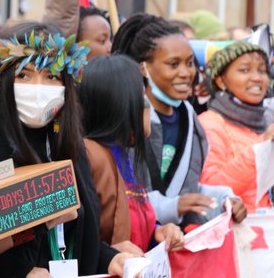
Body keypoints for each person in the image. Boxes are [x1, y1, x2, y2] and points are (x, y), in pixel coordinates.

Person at [0, 22, 132, 278]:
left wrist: (111, 259)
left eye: (51, 76)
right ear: (3, 81)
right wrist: (20, 272)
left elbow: (79, 236)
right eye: (24, 75)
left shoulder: (69, 146)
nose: (38, 88)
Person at [111, 14, 246, 229]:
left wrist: (224, 200)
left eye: (190, 63)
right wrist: (172, 207)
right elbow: (123, 195)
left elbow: (186, 189)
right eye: (173, 64)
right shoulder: (127, 120)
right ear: (143, 68)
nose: (186, 73)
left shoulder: (190, 118)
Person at [79, 55, 184, 255]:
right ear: (121, 103)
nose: (148, 107)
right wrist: (108, 255)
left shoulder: (124, 154)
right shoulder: (91, 155)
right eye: (141, 97)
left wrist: (158, 232)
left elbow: (134, 227)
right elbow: (80, 239)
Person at [200, 42, 274, 213]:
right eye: (245, 70)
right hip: (231, 235)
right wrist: (260, 149)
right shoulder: (209, 124)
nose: (257, 78)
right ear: (221, 81)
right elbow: (210, 191)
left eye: (262, 71)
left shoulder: (266, 124)